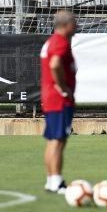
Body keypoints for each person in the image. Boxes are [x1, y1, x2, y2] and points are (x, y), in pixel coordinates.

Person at [40, 10, 78, 194]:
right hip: (59, 99)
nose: (76, 26)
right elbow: (55, 64)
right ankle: (56, 182)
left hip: (50, 98)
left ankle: (51, 180)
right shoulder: (60, 42)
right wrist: (63, 88)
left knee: (52, 140)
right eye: (74, 22)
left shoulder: (52, 41)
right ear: (66, 25)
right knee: (58, 140)